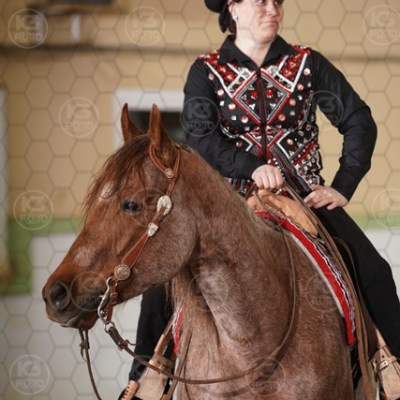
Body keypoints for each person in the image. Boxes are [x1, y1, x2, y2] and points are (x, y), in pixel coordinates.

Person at [120, 0, 400, 397]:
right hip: (228, 203)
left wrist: (343, 185)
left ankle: (392, 369)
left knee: (375, 272)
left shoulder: (308, 63)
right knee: (163, 283)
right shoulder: (206, 71)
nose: (272, 8)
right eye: (260, 0)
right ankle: (147, 377)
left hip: (304, 199)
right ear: (233, 8)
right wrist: (251, 166)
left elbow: (358, 120)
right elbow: (200, 135)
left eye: (277, 1)